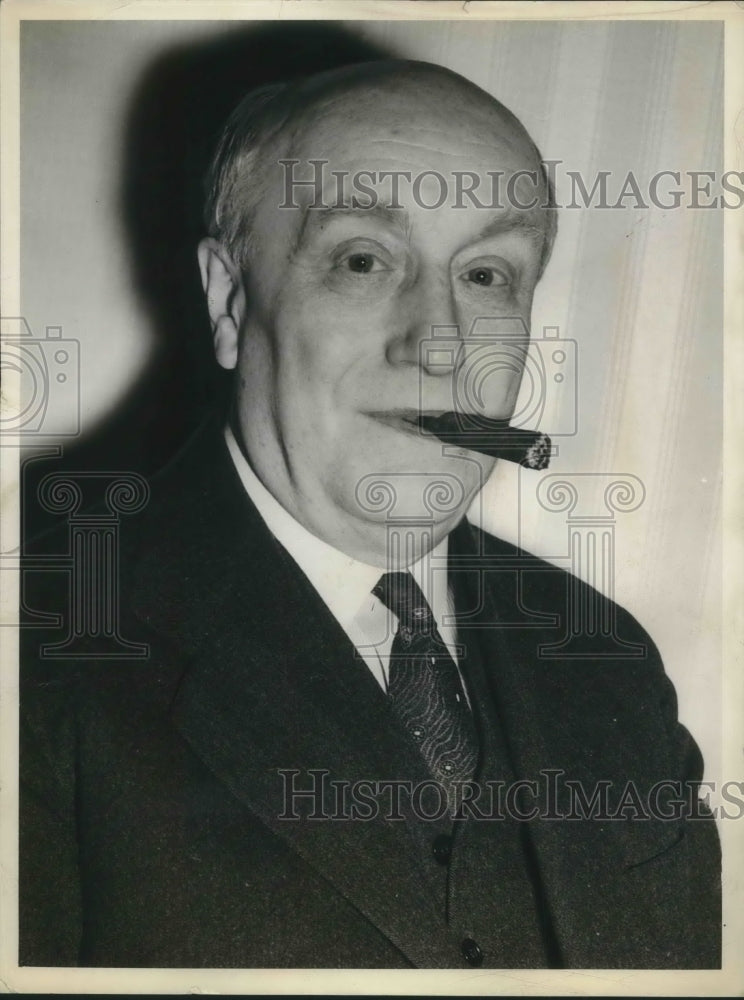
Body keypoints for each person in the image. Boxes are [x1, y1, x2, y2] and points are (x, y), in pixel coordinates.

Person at [19, 59, 720, 969]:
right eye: (362, 260)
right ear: (230, 301)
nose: (438, 344)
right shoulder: (37, 641)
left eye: (486, 275)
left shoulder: (610, 660)